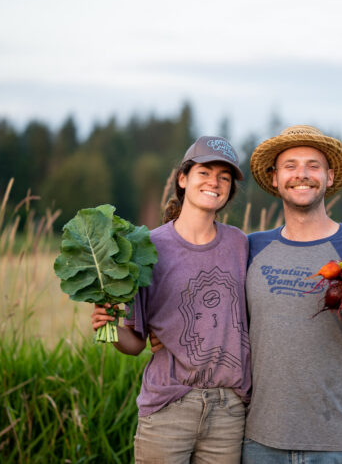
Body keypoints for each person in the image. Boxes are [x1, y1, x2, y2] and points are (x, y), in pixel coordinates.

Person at [242, 125, 342, 463]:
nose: (302, 174)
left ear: (329, 177)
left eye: (313, 165)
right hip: (260, 443)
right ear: (274, 178)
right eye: (290, 165)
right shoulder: (253, 248)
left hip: (338, 444)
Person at [91, 136, 251, 464]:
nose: (214, 182)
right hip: (168, 408)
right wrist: (108, 325)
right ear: (183, 178)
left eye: (224, 177)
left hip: (228, 412)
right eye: (205, 172)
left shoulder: (240, 244)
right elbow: (136, 343)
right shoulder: (147, 248)